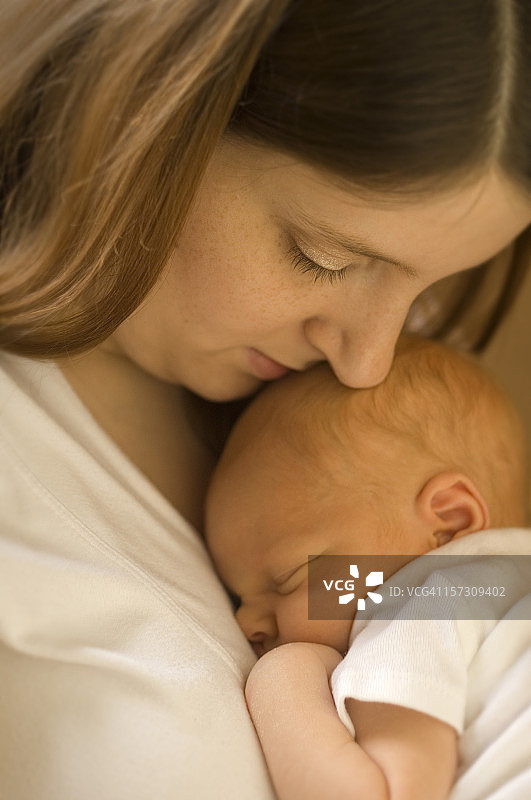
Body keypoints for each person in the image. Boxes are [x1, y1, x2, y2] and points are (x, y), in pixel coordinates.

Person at [1, 1, 530, 798]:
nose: (367, 361)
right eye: (323, 258)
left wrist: (284, 676)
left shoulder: (440, 587)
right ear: (148, 121)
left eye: (433, 283)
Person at [206, 335, 531, 800]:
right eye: (239, 598)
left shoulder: (421, 605)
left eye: (289, 577)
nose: (245, 623)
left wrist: (282, 681)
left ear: (447, 525)